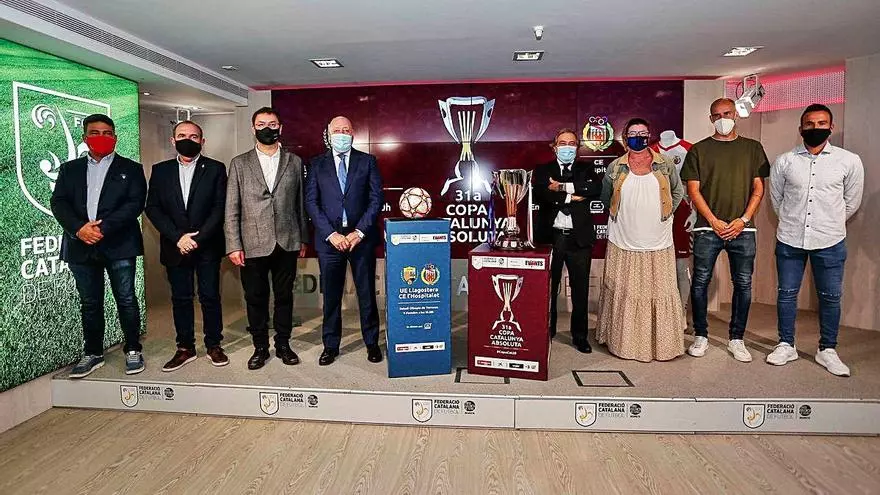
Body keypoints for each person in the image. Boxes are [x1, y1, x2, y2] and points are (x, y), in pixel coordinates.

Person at [766, 104, 864, 376]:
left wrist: (829, 222)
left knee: (830, 297)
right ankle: (786, 344)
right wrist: (794, 220)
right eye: (809, 124)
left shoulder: (848, 161)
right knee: (786, 294)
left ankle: (827, 349)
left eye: (821, 123)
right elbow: (777, 200)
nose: (815, 128)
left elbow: (851, 202)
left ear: (831, 127)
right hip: (790, 238)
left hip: (830, 239)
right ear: (801, 128)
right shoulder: (785, 161)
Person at [50, 114, 147, 378]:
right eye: (95, 133)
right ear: (85, 138)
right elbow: (59, 202)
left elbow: (135, 204)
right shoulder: (69, 169)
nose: (101, 138)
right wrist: (79, 229)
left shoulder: (131, 168)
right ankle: (93, 353)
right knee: (89, 302)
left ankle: (133, 349)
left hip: (119, 245)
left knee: (126, 299)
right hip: (80, 245)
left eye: (107, 133)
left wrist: (101, 229)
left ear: (115, 137)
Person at [680, 98, 770, 362]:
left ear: (736, 115)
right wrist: (713, 220)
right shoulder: (699, 150)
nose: (723, 119)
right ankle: (701, 335)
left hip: (743, 229)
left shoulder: (752, 148)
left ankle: (737, 338)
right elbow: (693, 190)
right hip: (707, 228)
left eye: (727, 113)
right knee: (700, 281)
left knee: (743, 283)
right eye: (717, 115)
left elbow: (758, 188)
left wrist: (744, 219)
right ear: (711, 119)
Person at [224, 107, 309, 370]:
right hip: (252, 243)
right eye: (261, 124)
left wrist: (303, 239)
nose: (267, 128)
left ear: (280, 127)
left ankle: (283, 344)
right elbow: (231, 207)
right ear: (253, 129)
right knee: (255, 298)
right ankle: (260, 347)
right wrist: (233, 245)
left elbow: (300, 204)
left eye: (272, 124)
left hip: (287, 240)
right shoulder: (239, 163)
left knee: (284, 297)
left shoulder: (295, 161)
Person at [597, 118, 685, 361]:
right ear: (626, 138)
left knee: (659, 290)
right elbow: (606, 197)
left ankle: (661, 345)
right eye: (633, 133)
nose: (638, 137)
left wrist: (666, 213)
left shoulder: (665, 163)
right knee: (625, 290)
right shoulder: (615, 167)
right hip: (623, 239)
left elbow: (677, 191)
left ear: (649, 135)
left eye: (643, 133)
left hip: (658, 239)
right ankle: (624, 343)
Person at [145, 121, 229, 371]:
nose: (187, 140)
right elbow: (153, 208)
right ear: (173, 140)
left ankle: (214, 345)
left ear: (202, 141)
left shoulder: (215, 168)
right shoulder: (160, 170)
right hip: (175, 246)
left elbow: (219, 208)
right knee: (181, 298)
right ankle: (185, 348)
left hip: (207, 245)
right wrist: (178, 238)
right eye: (182, 136)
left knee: (210, 296)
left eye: (193, 136)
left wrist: (196, 239)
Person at [305, 116, 384, 366]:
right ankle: (330, 346)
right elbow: (311, 202)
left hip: (361, 239)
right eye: (337, 130)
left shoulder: (368, 161)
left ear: (352, 134)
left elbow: (376, 199)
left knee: (366, 294)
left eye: (346, 130)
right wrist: (332, 235)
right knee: (331, 296)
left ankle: (372, 343)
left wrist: (359, 232)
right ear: (329, 134)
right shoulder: (316, 164)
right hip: (330, 241)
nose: (341, 134)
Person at [533, 128, 602, 353]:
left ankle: (580, 336)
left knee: (580, 290)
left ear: (577, 147)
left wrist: (561, 188)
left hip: (579, 239)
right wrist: (572, 196)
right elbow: (543, 194)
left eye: (572, 143)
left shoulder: (586, 168)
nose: (567, 147)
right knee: (548, 288)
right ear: (554, 147)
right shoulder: (543, 170)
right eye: (562, 143)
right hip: (551, 238)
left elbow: (594, 188)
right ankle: (548, 331)